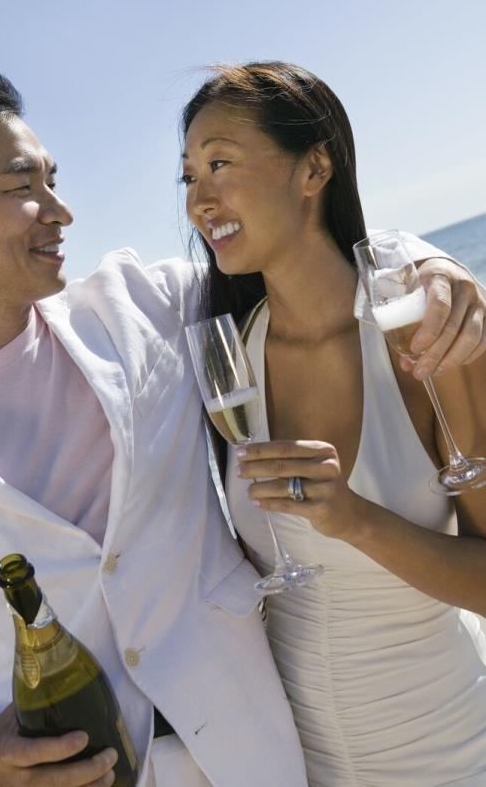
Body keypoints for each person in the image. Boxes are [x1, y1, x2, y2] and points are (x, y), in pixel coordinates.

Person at [0, 72, 481, 787]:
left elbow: (295, 247)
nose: (62, 211)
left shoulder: (145, 312)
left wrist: (427, 263)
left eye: (53, 180)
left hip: (252, 762)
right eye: (23, 186)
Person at [180, 61, 486, 786]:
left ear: (314, 168)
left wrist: (353, 520)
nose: (198, 199)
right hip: (296, 766)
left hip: (446, 753)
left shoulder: (425, 340)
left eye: (219, 163)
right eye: (187, 176)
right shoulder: (229, 355)